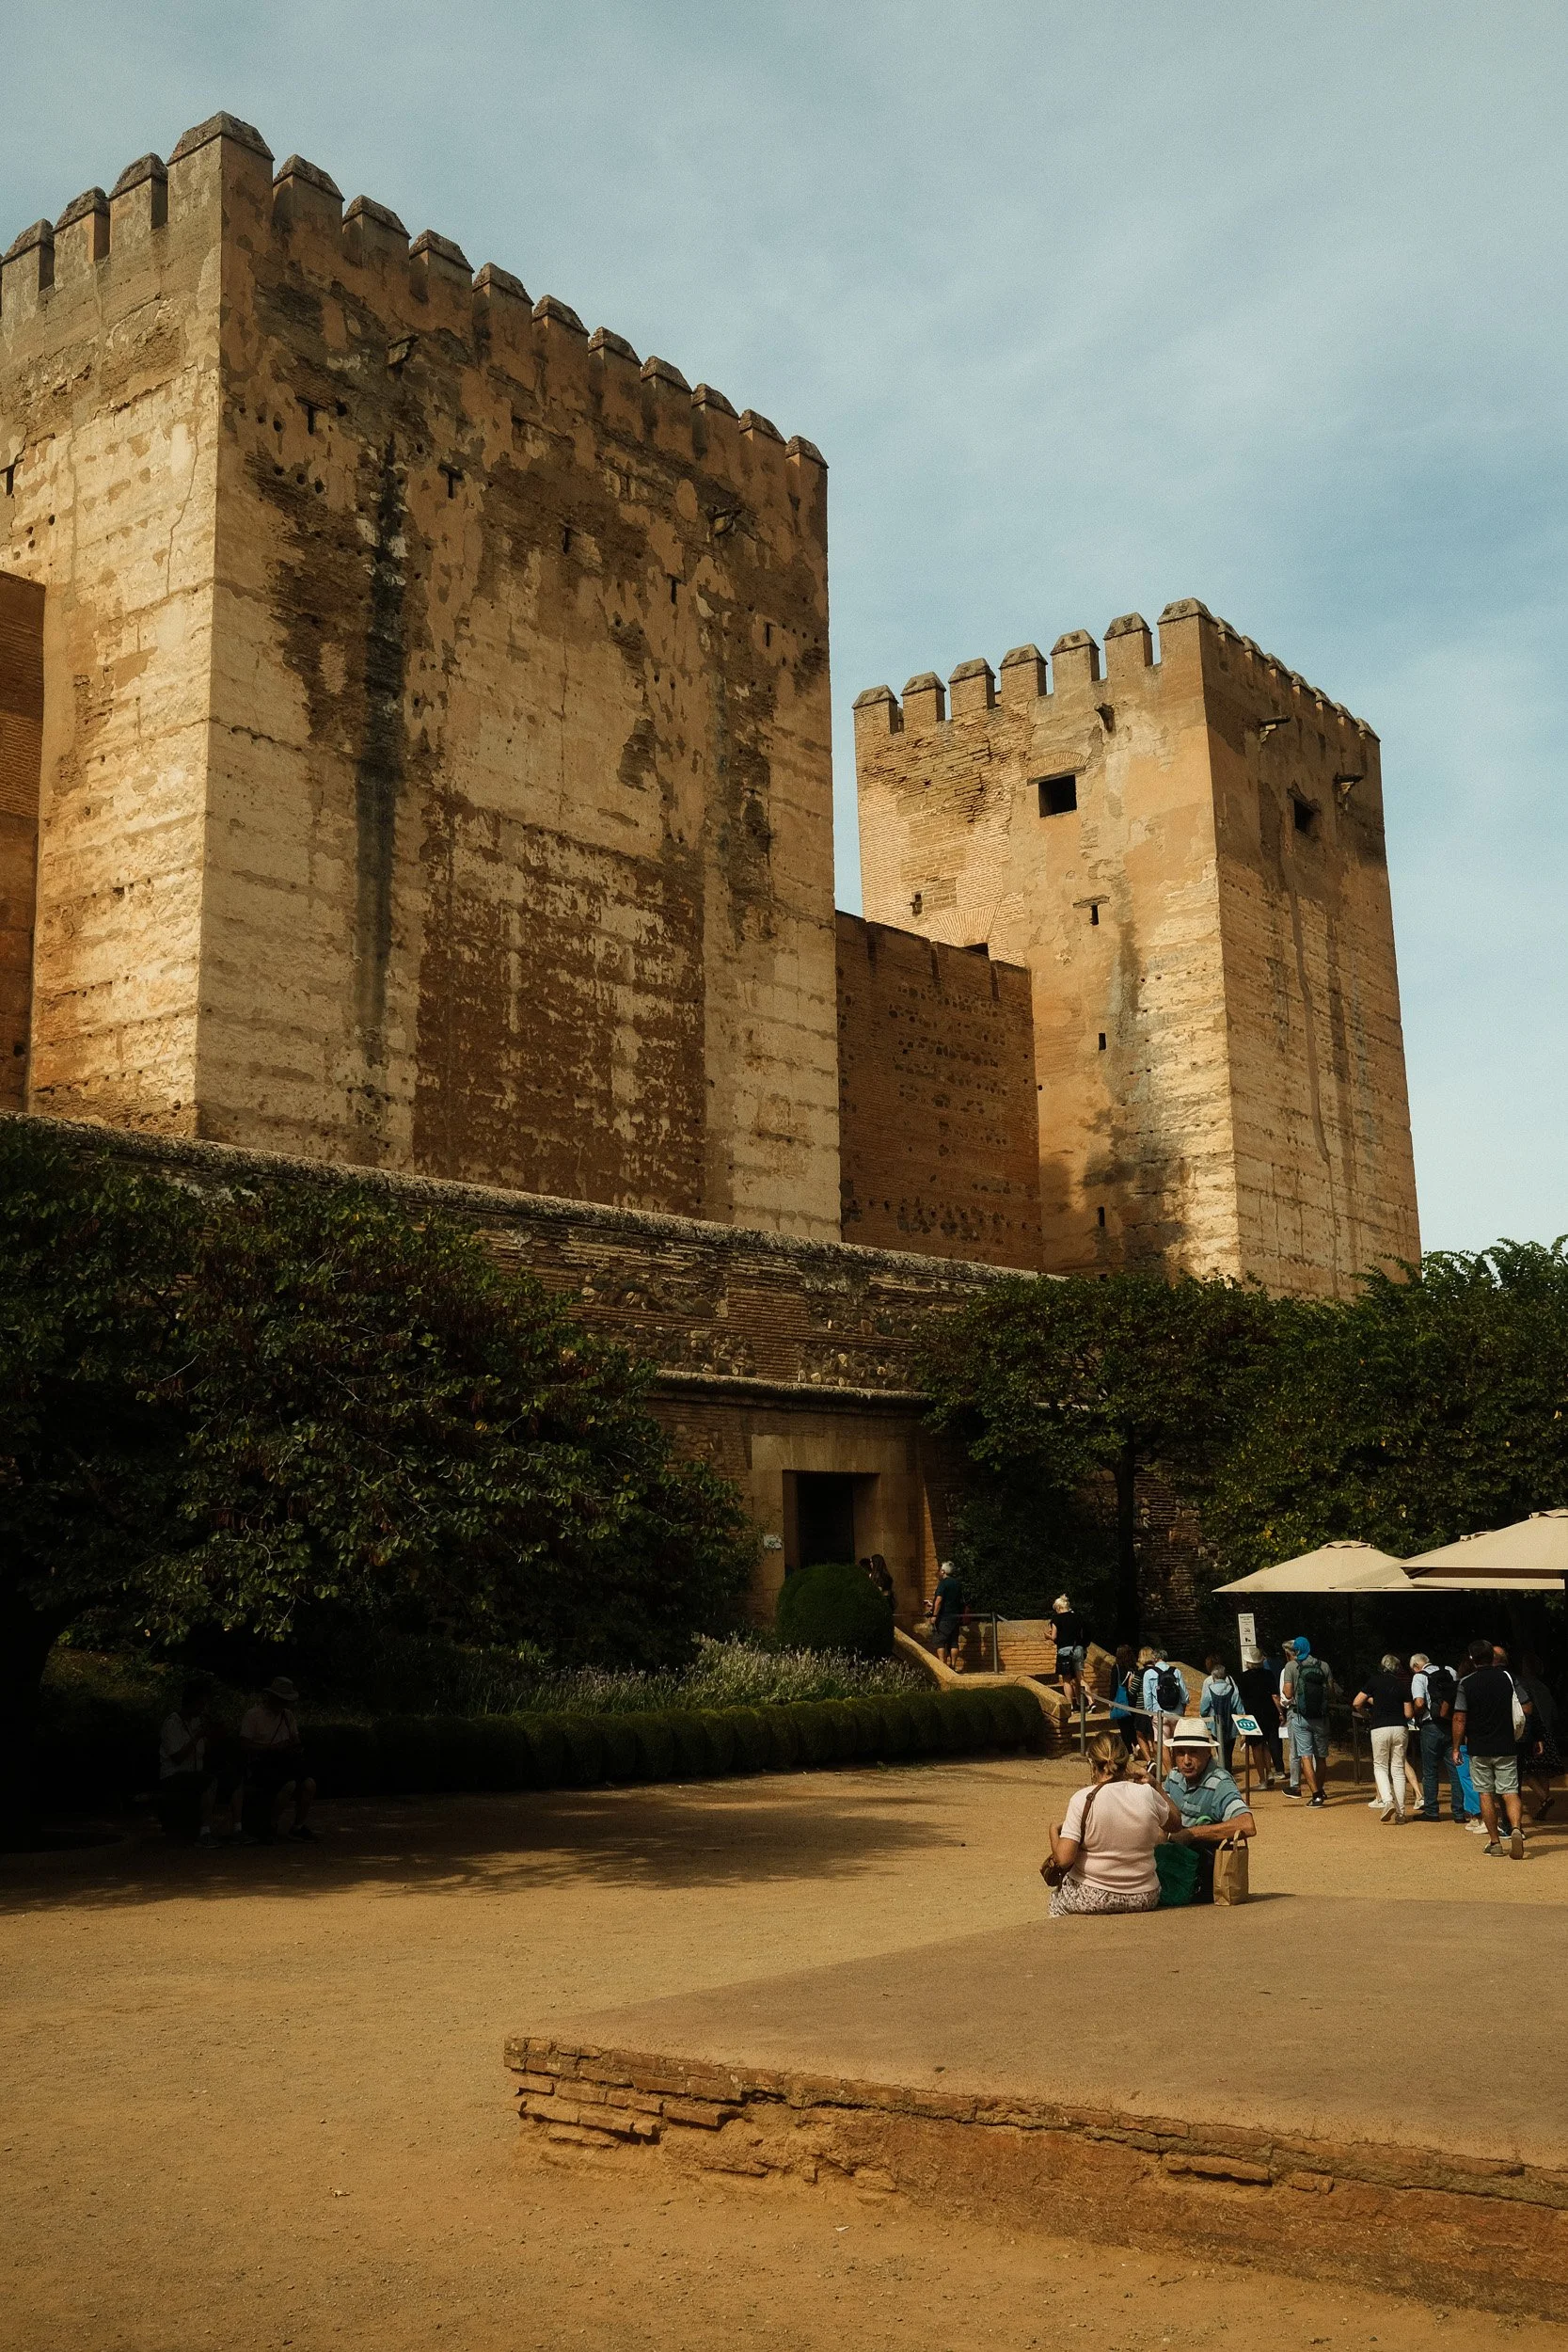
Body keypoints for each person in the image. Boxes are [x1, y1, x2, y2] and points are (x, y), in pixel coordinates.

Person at [1043, 1731, 1183, 1916]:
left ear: (1092, 1764)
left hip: (1093, 1894)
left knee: (1056, 1903)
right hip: (1144, 1894)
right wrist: (1157, 1786)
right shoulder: (1146, 1794)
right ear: (1125, 1762)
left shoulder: (1082, 1799)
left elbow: (1063, 1859)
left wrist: (1053, 1831)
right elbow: (1175, 1823)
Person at [1163, 1718, 1257, 1901]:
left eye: (1193, 1753)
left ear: (1208, 1752)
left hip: (1202, 1877)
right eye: (1181, 1753)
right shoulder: (1174, 1777)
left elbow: (1247, 1825)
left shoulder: (1220, 1782)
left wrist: (1192, 1834)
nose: (1186, 1761)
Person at [1452, 1637, 1528, 1860]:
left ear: (1472, 1659)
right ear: (1492, 1657)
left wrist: (1456, 1747)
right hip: (1506, 1744)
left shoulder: (1466, 1683)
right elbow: (1527, 1705)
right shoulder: (1507, 1678)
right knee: (1510, 1791)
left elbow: (1459, 1718)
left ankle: (1495, 1842)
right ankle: (1515, 1828)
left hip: (1479, 1747)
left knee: (1485, 1793)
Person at [239, 1676, 318, 1842]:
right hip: (263, 1763)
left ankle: (298, 1826)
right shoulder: (253, 1715)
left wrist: (293, 1747)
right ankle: (271, 1825)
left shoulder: (288, 1716)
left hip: (285, 1762)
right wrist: (270, 1748)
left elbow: (295, 1740)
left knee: (309, 1784)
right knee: (288, 1784)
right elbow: (244, 1745)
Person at [1354, 1652, 1414, 1821]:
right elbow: (1408, 1713)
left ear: (1382, 1666)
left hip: (1379, 1727)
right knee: (1398, 1769)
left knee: (1380, 1766)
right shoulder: (1402, 1685)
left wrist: (1366, 1714)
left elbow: (1357, 1702)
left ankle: (1387, 1800)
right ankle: (1401, 1813)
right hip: (1400, 1727)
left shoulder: (1374, 1681)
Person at [157, 1677, 218, 1844]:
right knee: (208, 1782)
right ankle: (205, 1831)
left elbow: (205, 1752)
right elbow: (177, 1758)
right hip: (173, 1775)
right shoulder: (172, 1723)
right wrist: (196, 1737)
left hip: (193, 1773)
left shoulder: (197, 1721)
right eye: (200, 1704)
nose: (202, 1709)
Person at [1409, 1652, 1466, 1824]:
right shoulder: (1450, 1670)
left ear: (1415, 1667)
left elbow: (1419, 1703)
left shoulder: (1419, 1677)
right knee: (1455, 1768)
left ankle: (1432, 1811)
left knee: (1430, 1769)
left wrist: (1418, 1715)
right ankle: (1459, 1812)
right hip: (1451, 1724)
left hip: (1431, 1726)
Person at [1280, 1635, 1334, 1805]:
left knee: (1305, 1756)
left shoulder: (1291, 1666)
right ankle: (1321, 1789)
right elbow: (1331, 1691)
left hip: (1300, 1716)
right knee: (1321, 1757)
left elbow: (1288, 1694)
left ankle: (1316, 1795)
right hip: (1320, 1716)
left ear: (1296, 1650)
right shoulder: (1323, 1666)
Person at [1516, 1650, 1560, 1820]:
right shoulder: (1544, 1687)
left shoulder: (1521, 1684)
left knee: (1525, 1770)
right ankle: (1544, 1801)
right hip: (1547, 1731)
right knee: (1543, 1771)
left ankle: (1544, 1798)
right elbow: (1554, 1713)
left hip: (1532, 1731)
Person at [1141, 1648, 1189, 1778]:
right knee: (1177, 1744)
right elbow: (1185, 1696)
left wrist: (1150, 1714)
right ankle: (1181, 1772)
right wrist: (1182, 1710)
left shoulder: (1149, 1673)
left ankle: (1171, 1775)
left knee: (1163, 1745)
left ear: (1155, 1659)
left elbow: (1147, 1697)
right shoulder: (1176, 1671)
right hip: (1177, 1713)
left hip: (1160, 1714)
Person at [1237, 1650, 1279, 1789]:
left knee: (1256, 1746)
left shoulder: (1243, 1677)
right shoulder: (1268, 1674)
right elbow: (1274, 1694)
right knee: (1265, 1743)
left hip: (1252, 1714)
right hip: (1269, 1712)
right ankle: (1269, 1772)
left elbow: (1242, 1697)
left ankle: (1262, 1780)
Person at [1048, 1595, 1088, 1713]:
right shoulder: (1077, 1617)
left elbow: (1054, 1637)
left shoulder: (1057, 1619)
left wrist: (1048, 1636)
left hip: (1064, 1651)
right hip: (1078, 1649)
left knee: (1066, 1679)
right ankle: (1087, 1702)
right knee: (1079, 1678)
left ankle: (1071, 1705)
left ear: (1059, 1608)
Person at [1199, 1655, 1240, 1773]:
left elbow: (1203, 1708)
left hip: (1214, 1723)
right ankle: (1228, 1769)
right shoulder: (1230, 1681)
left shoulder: (1208, 1682)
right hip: (1231, 1723)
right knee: (1229, 1750)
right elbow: (1238, 1704)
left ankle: (1223, 1771)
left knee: (1219, 1747)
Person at [927, 1561, 967, 1671]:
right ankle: (953, 1665)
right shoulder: (957, 1584)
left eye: (940, 1570)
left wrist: (934, 1615)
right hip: (955, 1616)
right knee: (954, 1641)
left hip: (944, 1617)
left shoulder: (943, 1583)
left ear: (943, 1571)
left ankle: (942, 1665)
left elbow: (939, 1600)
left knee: (940, 1641)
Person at [1130, 1646, 1159, 1762]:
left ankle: (1149, 1760)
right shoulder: (1158, 1671)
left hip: (1142, 1708)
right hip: (1157, 1708)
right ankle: (1157, 1759)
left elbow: (1132, 1691)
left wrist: (1130, 1682)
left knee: (1140, 1734)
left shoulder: (1140, 1673)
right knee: (1154, 1735)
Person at [1107, 1644, 1138, 1740]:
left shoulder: (1116, 1668)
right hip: (1133, 1700)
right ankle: (1136, 1745)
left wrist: (1111, 1701)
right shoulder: (1135, 1668)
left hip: (1121, 1700)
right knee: (1132, 1725)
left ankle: (1129, 1749)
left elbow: (1114, 1686)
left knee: (1124, 1726)